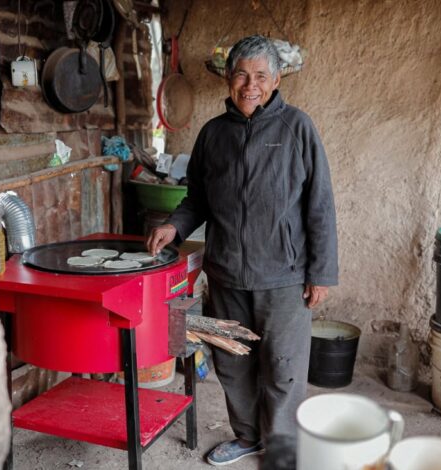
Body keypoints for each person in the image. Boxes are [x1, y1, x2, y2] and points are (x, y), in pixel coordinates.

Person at [146, 34, 338, 466]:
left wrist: (321, 273)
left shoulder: (297, 128)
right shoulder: (213, 134)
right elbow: (197, 198)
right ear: (228, 79)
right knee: (233, 362)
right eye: (241, 75)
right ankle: (249, 437)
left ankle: (282, 447)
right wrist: (174, 226)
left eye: (261, 76)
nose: (250, 86)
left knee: (283, 367)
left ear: (276, 80)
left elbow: (320, 205)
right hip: (227, 273)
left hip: (285, 275)